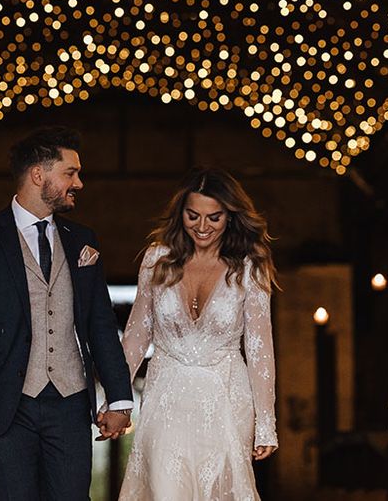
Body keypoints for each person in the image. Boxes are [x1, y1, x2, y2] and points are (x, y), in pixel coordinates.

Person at [0, 126, 133, 500]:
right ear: (38, 174)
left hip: (71, 402)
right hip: (5, 405)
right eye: (70, 173)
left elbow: (100, 324)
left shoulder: (83, 240)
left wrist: (120, 398)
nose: (79, 183)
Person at [116, 167, 278, 500]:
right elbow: (136, 335)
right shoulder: (157, 259)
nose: (202, 227)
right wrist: (116, 399)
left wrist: (266, 422)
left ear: (230, 218)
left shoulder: (251, 265)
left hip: (226, 399)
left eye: (214, 218)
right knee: (165, 490)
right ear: (181, 214)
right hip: (166, 397)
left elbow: (261, 349)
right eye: (193, 216)